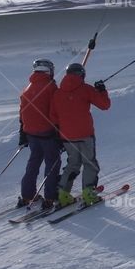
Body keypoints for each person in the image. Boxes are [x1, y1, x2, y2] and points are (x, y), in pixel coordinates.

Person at [50, 62, 111, 208]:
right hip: (85, 135)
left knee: (73, 164)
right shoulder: (86, 89)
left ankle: (62, 194)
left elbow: (53, 117)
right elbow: (105, 105)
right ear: (82, 75)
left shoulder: (57, 93)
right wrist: (102, 90)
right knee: (89, 163)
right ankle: (89, 193)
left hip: (67, 137)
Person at [17, 58, 61, 209]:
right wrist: (60, 133)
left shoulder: (27, 88)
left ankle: (27, 194)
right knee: (52, 162)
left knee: (34, 161)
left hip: (30, 133)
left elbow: (22, 112)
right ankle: (50, 196)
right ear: (49, 71)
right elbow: (56, 111)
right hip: (47, 133)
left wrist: (22, 133)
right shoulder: (51, 87)